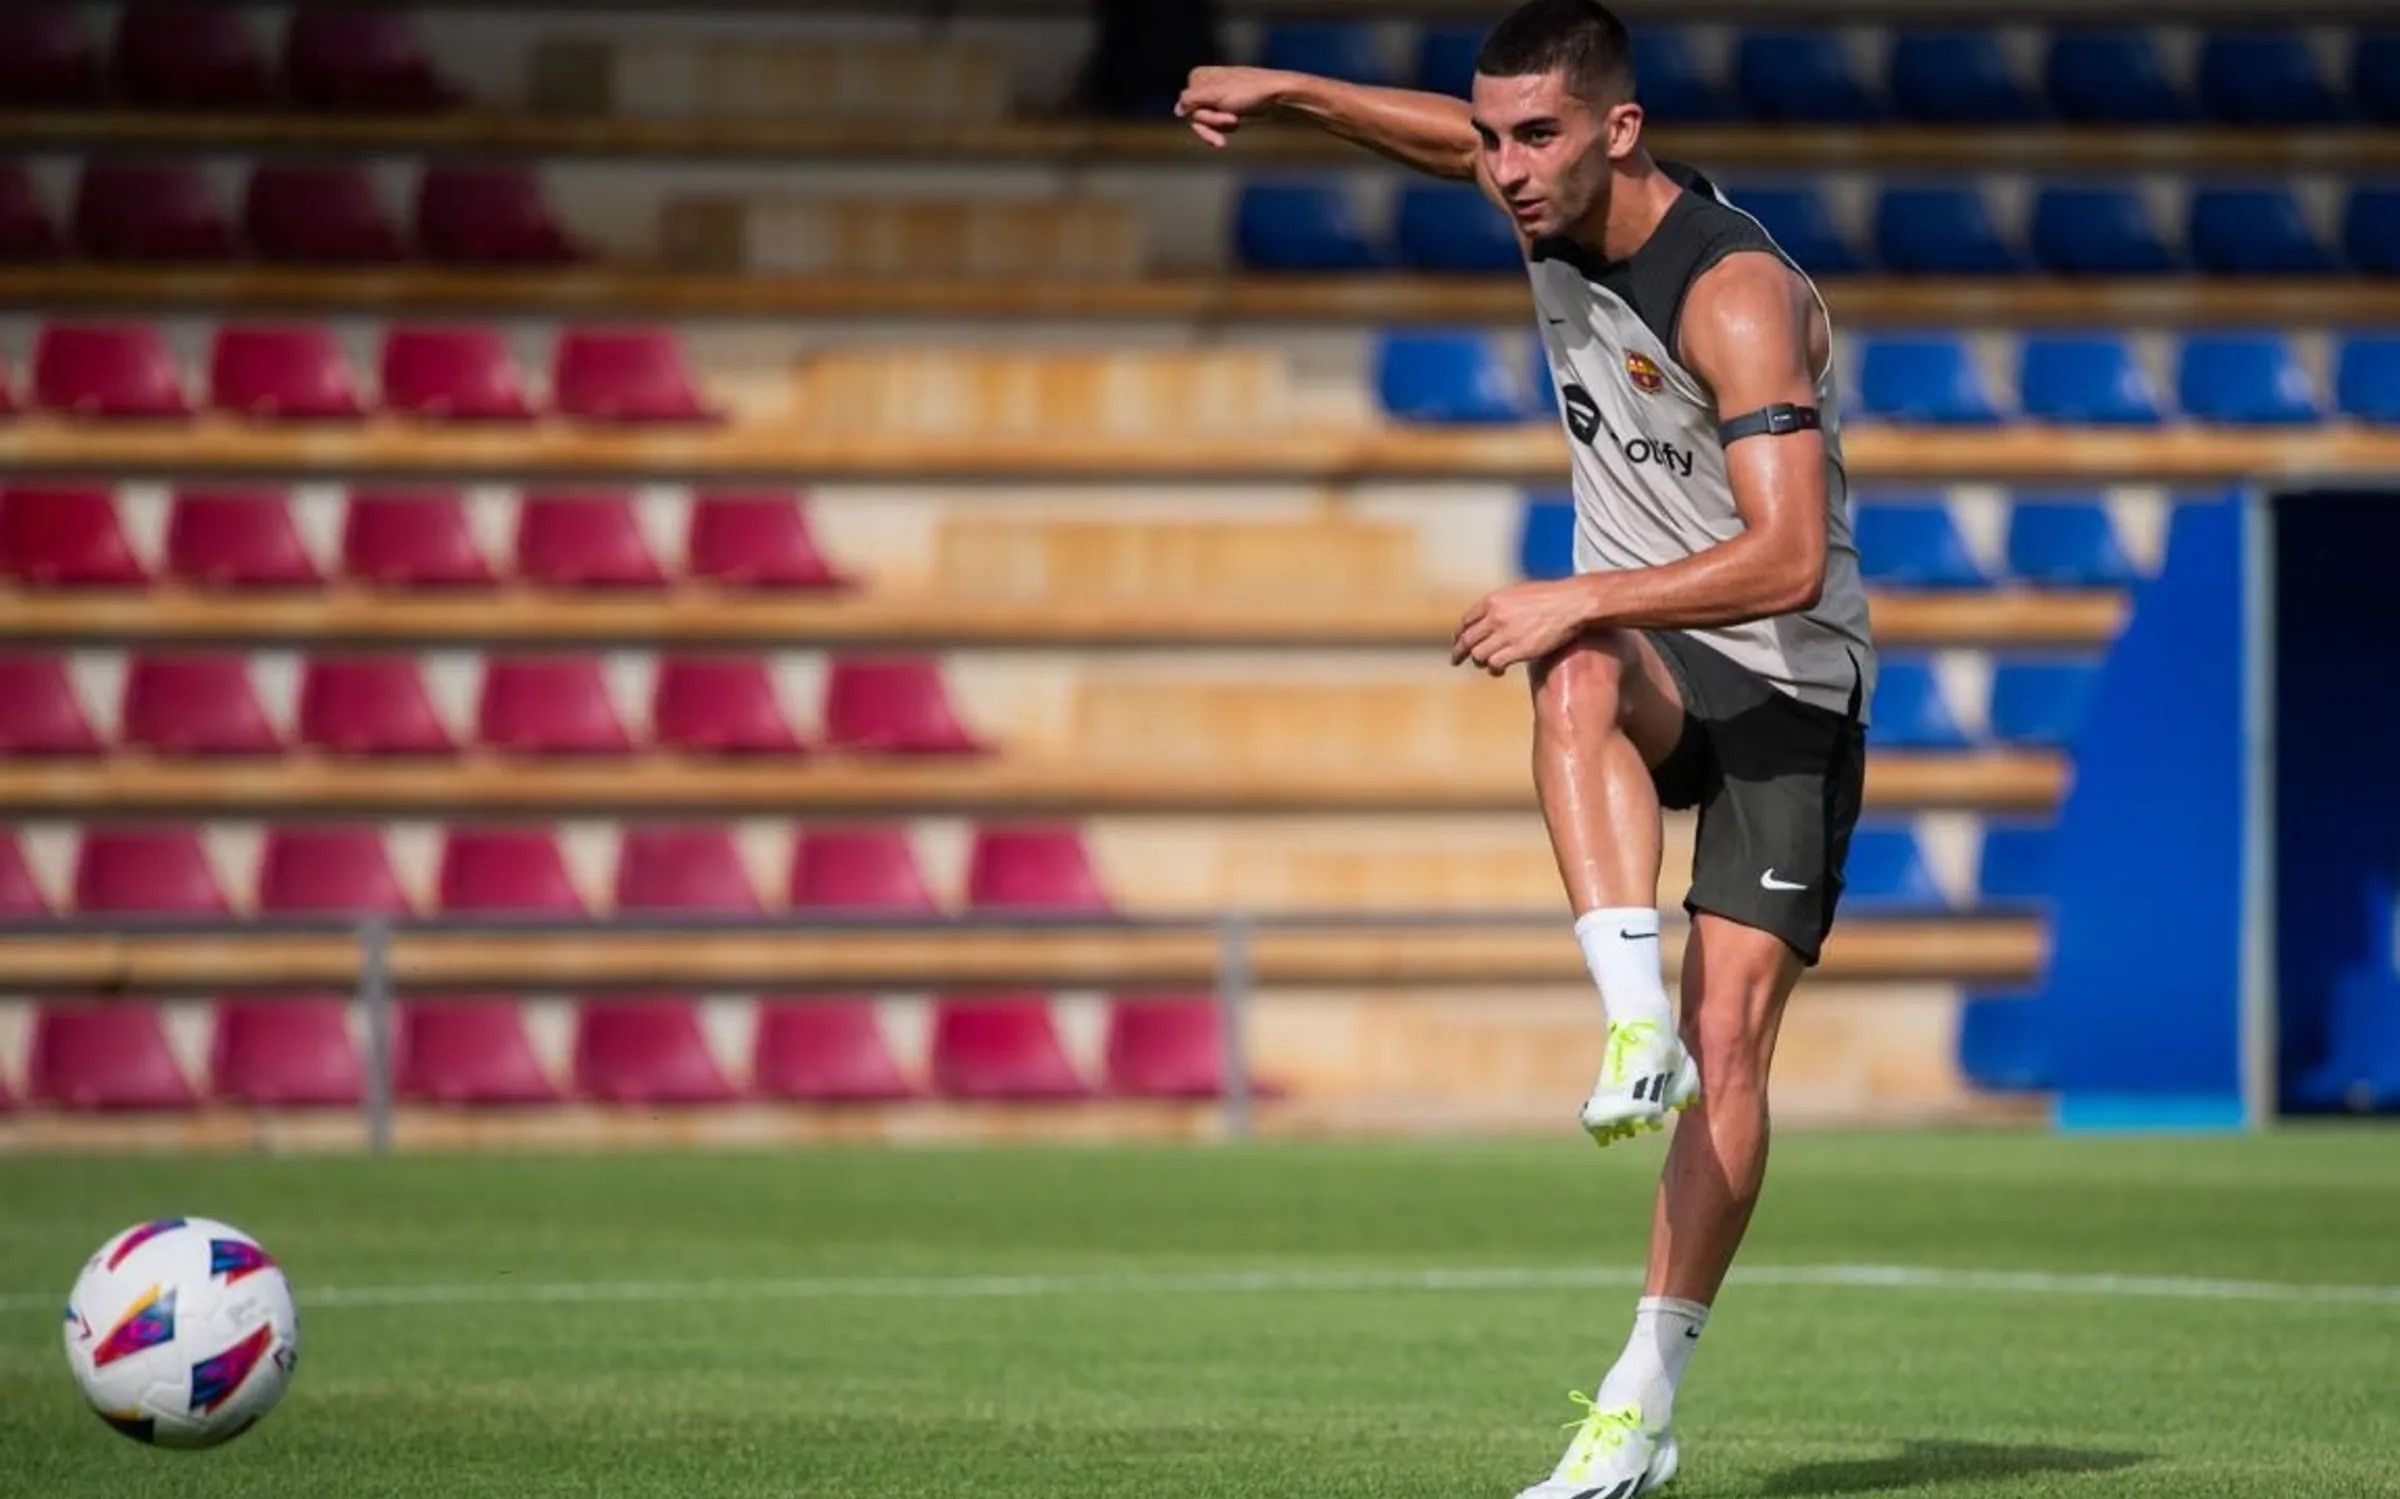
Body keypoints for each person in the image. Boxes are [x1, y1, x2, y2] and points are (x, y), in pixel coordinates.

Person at [1178, 3, 1876, 1493]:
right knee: (1569, 671)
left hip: (1788, 687)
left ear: (1620, 131)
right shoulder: (1539, 191)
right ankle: (1633, 1029)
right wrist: (1290, 88)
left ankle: (1644, 1391)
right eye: (1488, 137)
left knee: (1738, 1040)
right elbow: (1437, 133)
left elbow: (1792, 556)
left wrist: (1583, 587)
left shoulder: (1734, 290)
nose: (1499, 168)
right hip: (1654, 662)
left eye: (1533, 136)